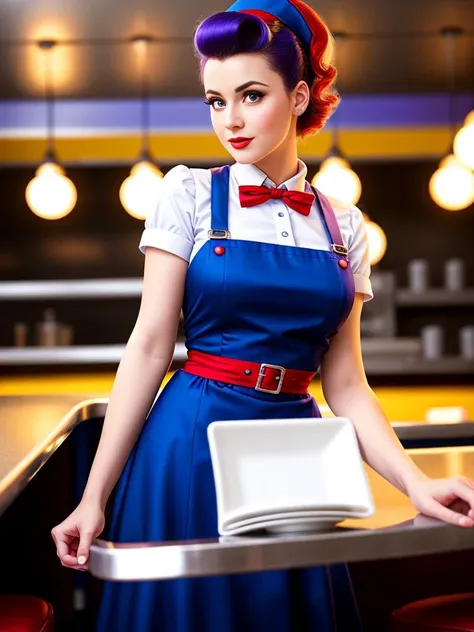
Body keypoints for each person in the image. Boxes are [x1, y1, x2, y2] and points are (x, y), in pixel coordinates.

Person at [51, 0, 474, 630]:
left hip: (295, 448)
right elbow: (148, 347)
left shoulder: (346, 224)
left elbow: (347, 384)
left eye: (251, 95)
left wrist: (415, 484)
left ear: (300, 95)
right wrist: (93, 497)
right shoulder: (186, 192)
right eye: (216, 101)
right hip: (191, 443)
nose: (231, 120)